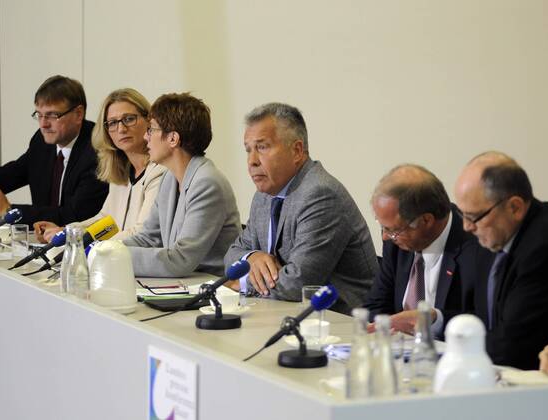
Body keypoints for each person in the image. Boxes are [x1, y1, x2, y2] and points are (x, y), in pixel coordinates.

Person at [224, 102, 378, 314]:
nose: (251, 161)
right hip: (282, 313)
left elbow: (297, 284)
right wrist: (251, 257)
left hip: (338, 325)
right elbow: (232, 254)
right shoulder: (263, 196)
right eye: (248, 150)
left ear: (296, 150)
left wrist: (240, 284)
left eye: (262, 147)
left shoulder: (321, 194)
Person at [454, 151, 548, 369]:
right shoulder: (491, 236)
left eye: (473, 217)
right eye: (462, 215)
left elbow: (512, 345)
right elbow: (477, 317)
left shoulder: (546, 244)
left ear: (515, 207)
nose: (466, 227)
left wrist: (453, 353)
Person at [366, 164, 492, 337]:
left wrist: (434, 320)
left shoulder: (478, 247)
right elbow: (375, 306)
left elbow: (485, 321)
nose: (386, 237)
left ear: (426, 220)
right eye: (383, 227)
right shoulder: (396, 242)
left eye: (393, 230)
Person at [123, 93, 241, 277]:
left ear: (173, 139)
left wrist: (112, 257)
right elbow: (149, 238)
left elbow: (180, 260)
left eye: (151, 129)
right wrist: (103, 249)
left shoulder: (207, 183)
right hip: (186, 285)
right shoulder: (169, 178)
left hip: (212, 291)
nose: (146, 137)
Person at [33, 88, 166, 242]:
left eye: (129, 119)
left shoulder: (159, 171)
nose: (121, 129)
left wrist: (83, 242)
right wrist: (68, 231)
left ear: (148, 120)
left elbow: (141, 233)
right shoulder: (120, 171)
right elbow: (106, 221)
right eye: (113, 123)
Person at [0, 75, 108, 227]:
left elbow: (74, 216)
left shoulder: (99, 150)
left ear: (78, 114)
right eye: (39, 115)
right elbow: (11, 174)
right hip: (42, 243)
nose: (43, 124)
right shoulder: (42, 141)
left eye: (52, 115)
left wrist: (10, 211)